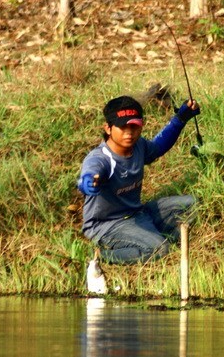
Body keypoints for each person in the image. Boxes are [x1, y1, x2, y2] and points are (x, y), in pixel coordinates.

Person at [77, 94, 200, 264]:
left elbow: (158, 146)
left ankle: (159, 239)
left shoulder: (139, 146)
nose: (129, 133)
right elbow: (89, 174)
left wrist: (181, 118)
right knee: (159, 248)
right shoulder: (100, 158)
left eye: (134, 126)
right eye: (123, 127)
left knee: (194, 205)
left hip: (138, 213)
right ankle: (101, 257)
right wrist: (88, 183)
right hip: (108, 225)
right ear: (108, 128)